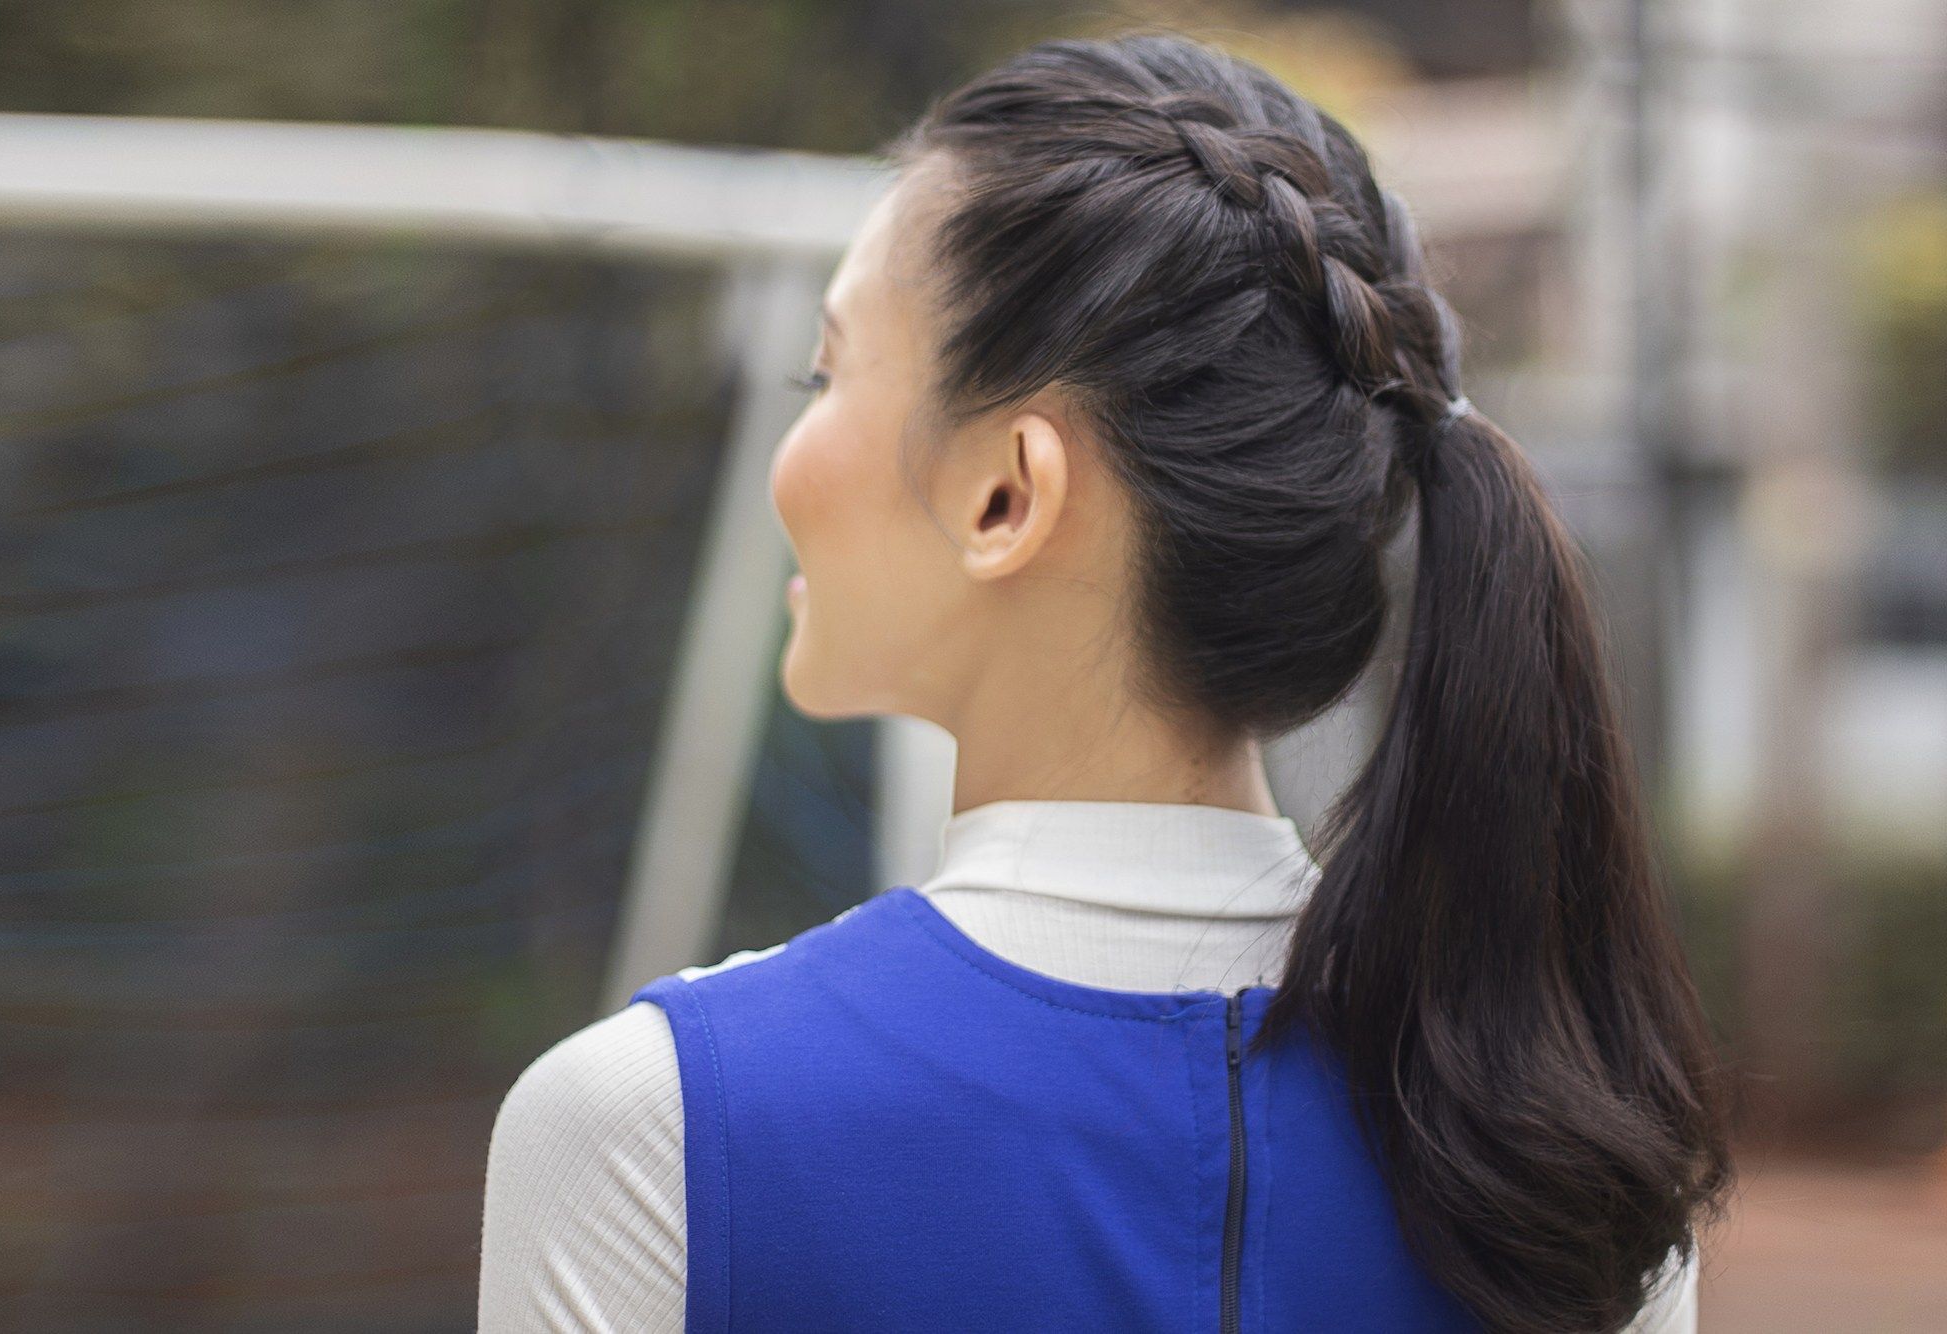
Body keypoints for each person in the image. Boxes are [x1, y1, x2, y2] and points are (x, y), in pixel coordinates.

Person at [479, 30, 1735, 1332]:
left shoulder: (658, 1138)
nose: (787, 447)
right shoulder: (1569, 1172)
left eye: (827, 371)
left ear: (1007, 494)